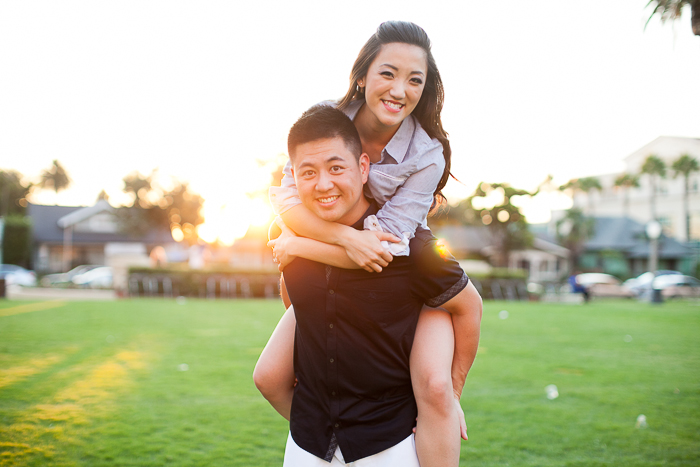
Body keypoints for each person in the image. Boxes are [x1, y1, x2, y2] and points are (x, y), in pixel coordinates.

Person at [256, 21, 480, 467]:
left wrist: (454, 391)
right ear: (362, 75)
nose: (400, 90)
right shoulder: (326, 120)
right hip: (339, 231)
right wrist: (332, 238)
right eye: (388, 73)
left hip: (399, 242)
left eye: (415, 80)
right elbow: (286, 201)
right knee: (269, 374)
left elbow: (388, 244)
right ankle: (328, 439)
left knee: (434, 388)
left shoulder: (426, 152)